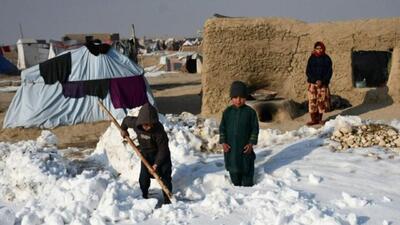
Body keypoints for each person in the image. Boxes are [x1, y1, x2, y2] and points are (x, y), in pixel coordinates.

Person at [120, 103, 172, 204]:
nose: (148, 126)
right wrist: (123, 130)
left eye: (150, 124)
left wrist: (156, 165)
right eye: (145, 124)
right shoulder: (136, 123)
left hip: (160, 156)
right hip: (146, 155)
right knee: (143, 178)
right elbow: (126, 121)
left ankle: (168, 199)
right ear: (141, 122)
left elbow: (163, 149)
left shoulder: (159, 132)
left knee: (165, 178)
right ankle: (143, 197)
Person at [219, 81, 259, 186]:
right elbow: (222, 128)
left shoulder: (250, 113)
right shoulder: (227, 112)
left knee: (247, 171)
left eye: (241, 97)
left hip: (245, 148)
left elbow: (255, 129)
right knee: (234, 175)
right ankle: (236, 186)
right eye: (235, 97)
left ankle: (248, 188)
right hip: (231, 148)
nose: (238, 100)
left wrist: (251, 144)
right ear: (231, 98)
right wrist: (223, 143)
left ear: (246, 97)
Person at [305, 41, 333, 125]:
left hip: (323, 84)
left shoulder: (327, 58)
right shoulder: (311, 58)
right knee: (312, 101)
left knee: (321, 102)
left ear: (323, 48)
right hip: (313, 84)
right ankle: (313, 120)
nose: (319, 50)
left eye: (320, 48)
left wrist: (322, 81)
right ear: (315, 49)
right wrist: (315, 80)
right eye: (317, 48)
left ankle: (320, 119)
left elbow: (329, 72)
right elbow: (308, 71)